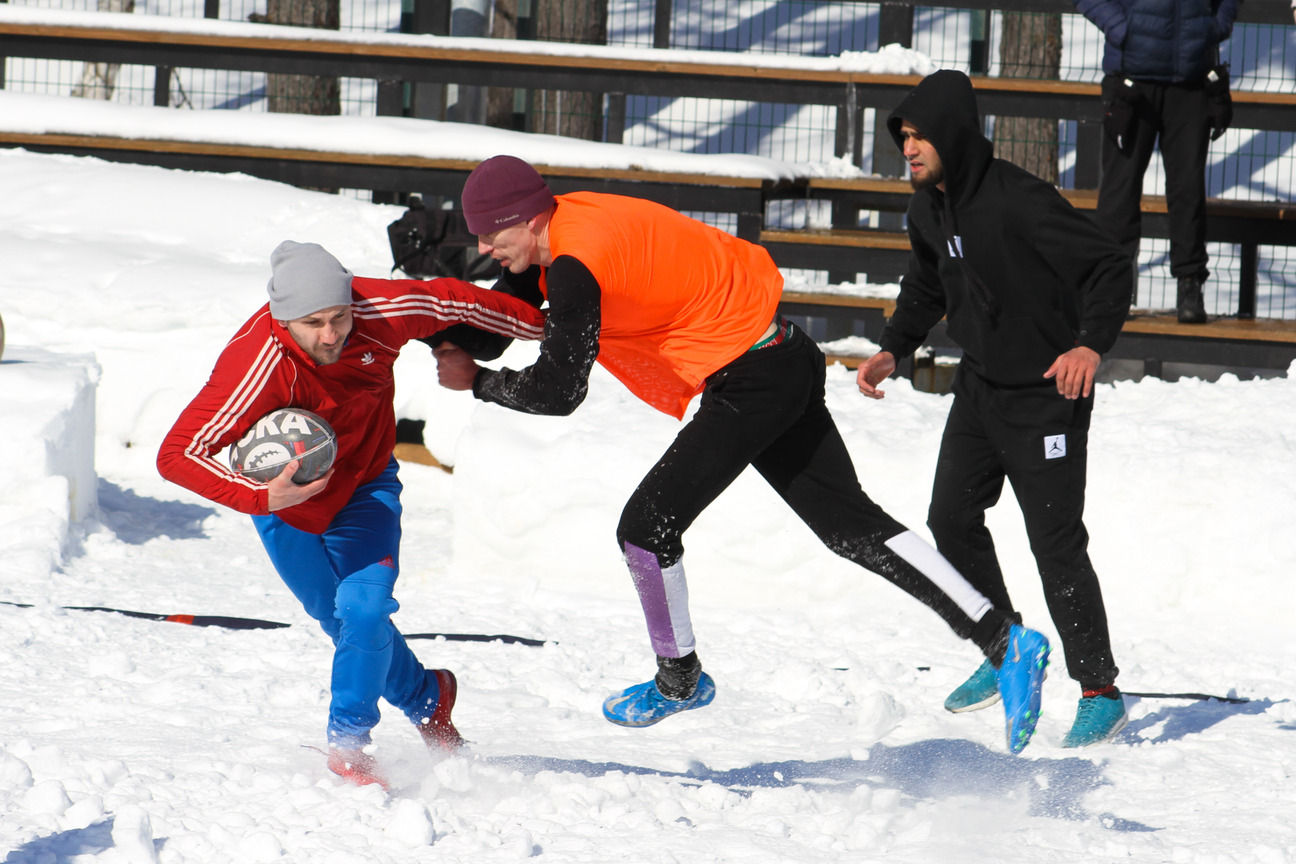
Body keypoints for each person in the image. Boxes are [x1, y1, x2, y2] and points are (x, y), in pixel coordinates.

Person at [432, 154, 1051, 754]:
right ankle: (1005, 640)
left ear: (529, 216)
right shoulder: (560, 231)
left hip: (753, 379)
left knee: (646, 531)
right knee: (852, 528)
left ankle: (680, 680)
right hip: (783, 355)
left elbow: (560, 390)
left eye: (491, 233)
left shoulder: (573, 265)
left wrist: (479, 385)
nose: (486, 247)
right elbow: (499, 318)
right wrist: (434, 329)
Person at [157, 240, 545, 787]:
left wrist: (549, 329)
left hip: (367, 485)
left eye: (339, 316)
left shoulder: (377, 310)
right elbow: (177, 454)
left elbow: (455, 301)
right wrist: (264, 498)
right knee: (340, 623)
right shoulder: (254, 363)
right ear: (282, 317)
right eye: (313, 323)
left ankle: (349, 744)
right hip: (284, 510)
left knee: (364, 611)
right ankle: (428, 696)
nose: (332, 333)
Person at [855, 70, 1134, 748]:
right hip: (979, 388)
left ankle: (1099, 688)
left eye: (919, 136)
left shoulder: (1019, 201)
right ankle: (1005, 646)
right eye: (904, 138)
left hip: (1048, 393)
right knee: (949, 519)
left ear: (951, 134)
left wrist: (1090, 347)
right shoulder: (928, 206)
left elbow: (1109, 265)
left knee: (1055, 543)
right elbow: (926, 280)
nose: (910, 149)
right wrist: (896, 347)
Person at [1072, 0, 1240, 323]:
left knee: (1188, 190)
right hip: (1131, 77)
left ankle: (1190, 285)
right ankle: (1108, 291)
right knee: (1119, 193)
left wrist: (1216, 26)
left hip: (1192, 78)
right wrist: (1122, 28)